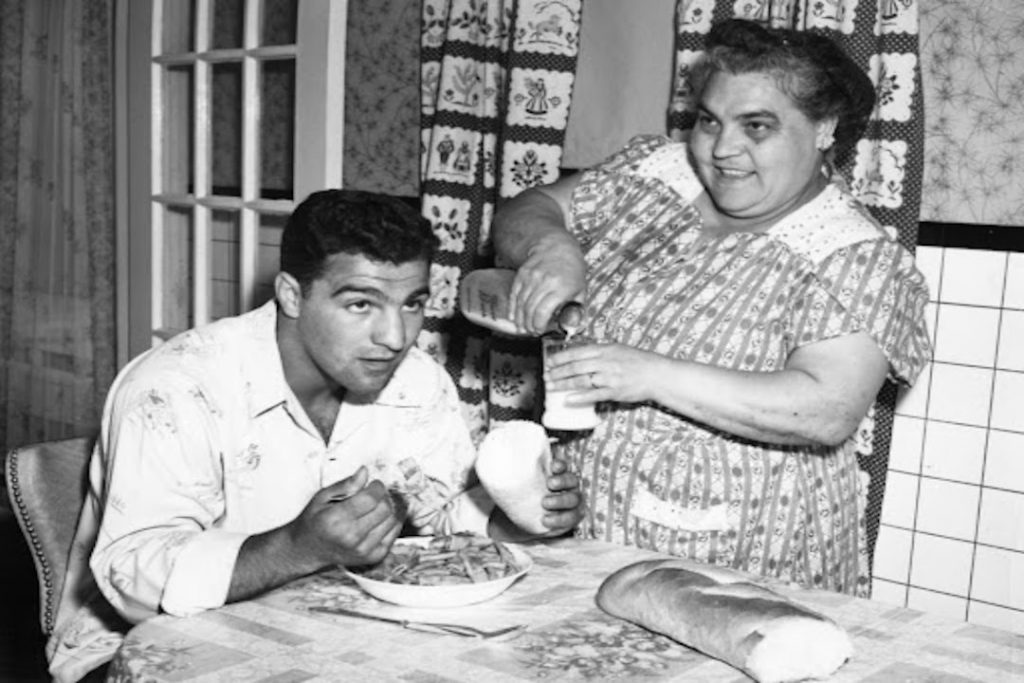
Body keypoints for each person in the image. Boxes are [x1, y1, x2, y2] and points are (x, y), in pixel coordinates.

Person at [47, 189, 584, 683]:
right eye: (360, 305)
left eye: (412, 304)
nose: (394, 337)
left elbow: (444, 516)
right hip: (136, 652)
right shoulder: (176, 388)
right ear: (291, 294)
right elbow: (131, 576)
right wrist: (294, 547)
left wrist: (519, 513)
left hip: (340, 634)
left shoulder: (417, 381)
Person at [491, 19, 931, 597]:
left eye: (757, 126)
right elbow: (530, 208)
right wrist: (552, 246)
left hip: (745, 550)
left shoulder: (850, 254)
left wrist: (649, 374)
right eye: (709, 120)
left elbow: (826, 408)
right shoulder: (657, 176)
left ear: (824, 128)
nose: (722, 149)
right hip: (595, 521)